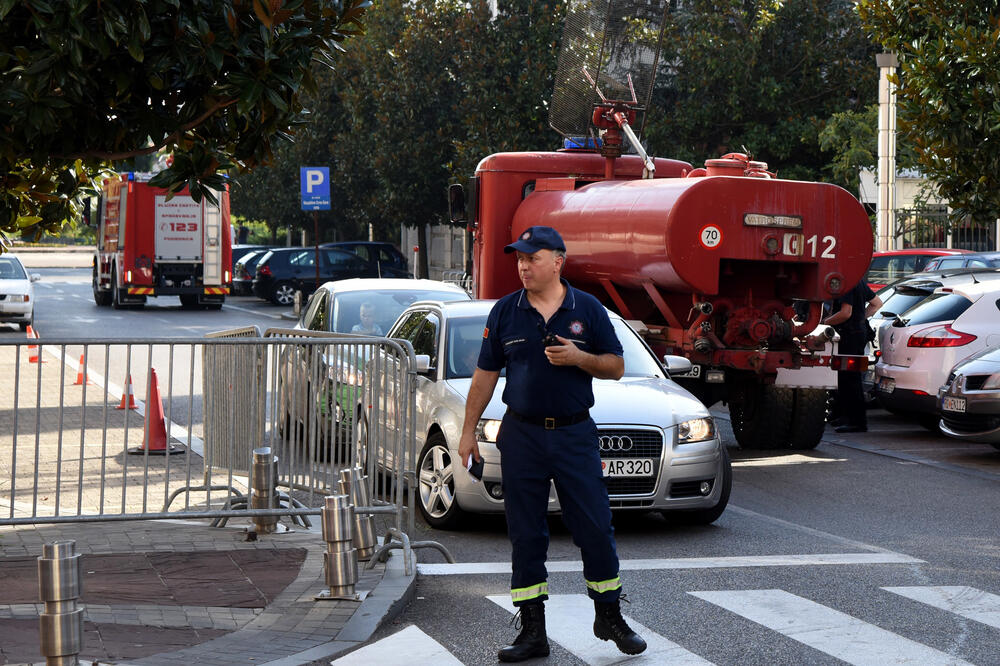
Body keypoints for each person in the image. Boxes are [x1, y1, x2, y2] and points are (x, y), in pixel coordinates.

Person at [458, 226, 646, 662]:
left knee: (596, 527)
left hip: (574, 434)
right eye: (519, 259)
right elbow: (485, 375)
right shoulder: (505, 312)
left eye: (532, 258)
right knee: (526, 535)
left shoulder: (589, 309)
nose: (523, 266)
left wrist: (580, 358)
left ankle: (609, 616)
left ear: (558, 261)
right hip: (521, 435)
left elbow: (616, 366)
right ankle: (532, 631)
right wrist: (468, 432)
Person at [823, 279, 882, 433]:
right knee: (846, 378)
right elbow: (877, 303)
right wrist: (861, 319)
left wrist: (824, 324)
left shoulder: (847, 284)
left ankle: (856, 422)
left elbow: (845, 313)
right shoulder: (859, 281)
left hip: (849, 335)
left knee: (850, 379)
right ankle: (845, 417)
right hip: (856, 333)